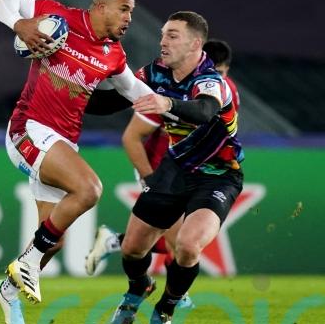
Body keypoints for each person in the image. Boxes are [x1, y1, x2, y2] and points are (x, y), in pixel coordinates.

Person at [0, 0, 158, 324]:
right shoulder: (59, 17)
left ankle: (7, 290)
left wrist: (171, 105)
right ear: (101, 7)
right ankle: (27, 264)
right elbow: (2, 0)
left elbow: (132, 89)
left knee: (54, 240)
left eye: (131, 12)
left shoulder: (114, 54)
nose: (129, 18)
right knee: (89, 188)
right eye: (124, 9)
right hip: (28, 129)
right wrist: (19, 24)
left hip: (62, 143)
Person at [107, 11, 243, 324]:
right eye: (162, 34)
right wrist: (75, 82)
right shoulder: (155, 72)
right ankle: (139, 286)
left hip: (218, 175)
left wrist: (166, 104)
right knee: (132, 248)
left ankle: (166, 308)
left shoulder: (211, 80)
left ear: (195, 44)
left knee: (188, 245)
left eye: (172, 35)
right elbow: (112, 101)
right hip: (174, 170)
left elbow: (204, 110)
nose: (162, 41)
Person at [84, 38, 241, 279]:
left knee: (184, 240)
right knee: (177, 241)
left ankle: (114, 242)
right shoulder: (173, 89)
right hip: (161, 169)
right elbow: (132, 137)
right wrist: (150, 178)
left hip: (196, 174)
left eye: (219, 73)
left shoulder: (226, 92)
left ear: (226, 71)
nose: (213, 79)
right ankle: (161, 291)